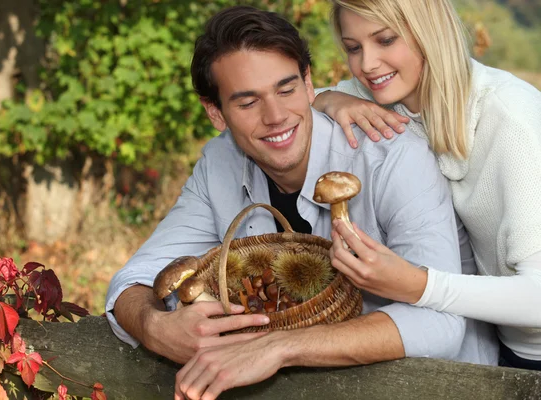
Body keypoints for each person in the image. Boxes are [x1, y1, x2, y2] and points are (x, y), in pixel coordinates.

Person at [105, 5, 498, 399]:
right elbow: (133, 278)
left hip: (442, 387)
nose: (276, 116)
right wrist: (153, 327)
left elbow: (440, 326)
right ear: (216, 113)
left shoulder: (395, 158)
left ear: (309, 84)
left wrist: (277, 347)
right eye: (247, 102)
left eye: (286, 89)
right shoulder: (218, 163)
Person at [313, 0, 541, 371]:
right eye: (353, 48)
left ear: (429, 33)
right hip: (501, 345)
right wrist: (328, 99)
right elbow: (283, 101)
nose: (367, 64)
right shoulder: (381, 95)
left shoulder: (512, 118)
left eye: (385, 40)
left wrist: (416, 285)